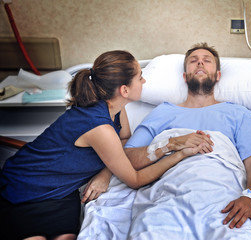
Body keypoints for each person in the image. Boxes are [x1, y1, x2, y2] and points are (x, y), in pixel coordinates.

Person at [0, 50, 209, 240]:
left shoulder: (115, 108)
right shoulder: (100, 128)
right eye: (140, 77)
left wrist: (106, 173)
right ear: (124, 89)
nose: (144, 81)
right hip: (27, 189)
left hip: (62, 192)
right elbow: (135, 180)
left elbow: (124, 140)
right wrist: (179, 153)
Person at [124, 43, 251, 231]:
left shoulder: (238, 113)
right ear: (185, 77)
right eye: (193, 61)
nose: (200, 63)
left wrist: (249, 197)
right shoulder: (163, 112)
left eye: (207, 61)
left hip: (225, 201)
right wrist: (172, 143)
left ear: (218, 76)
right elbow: (128, 159)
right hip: (168, 197)